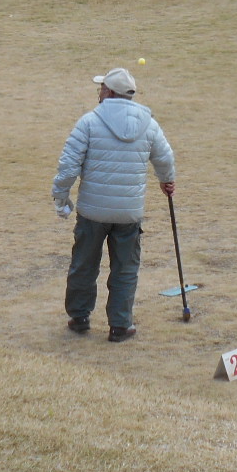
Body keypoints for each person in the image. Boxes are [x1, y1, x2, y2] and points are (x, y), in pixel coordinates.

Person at [52, 67, 176, 342]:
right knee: (125, 268)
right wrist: (166, 180)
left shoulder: (89, 122)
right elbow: (165, 159)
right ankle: (120, 325)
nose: (99, 92)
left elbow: (68, 165)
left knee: (84, 264)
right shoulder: (149, 123)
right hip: (129, 212)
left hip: (92, 211)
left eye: (101, 88)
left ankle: (79, 316)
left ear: (108, 92)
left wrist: (61, 197)